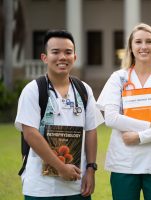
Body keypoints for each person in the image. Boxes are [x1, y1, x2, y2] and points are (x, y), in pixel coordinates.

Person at [97, 23, 151, 200]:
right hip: (124, 163)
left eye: (149, 41)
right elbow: (111, 118)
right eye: (138, 42)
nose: (143, 46)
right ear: (130, 47)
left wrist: (140, 136)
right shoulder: (118, 79)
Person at [15, 29, 104, 200]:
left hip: (77, 185)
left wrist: (91, 169)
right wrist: (61, 167)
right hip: (41, 188)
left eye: (68, 52)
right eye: (55, 52)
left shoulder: (84, 90)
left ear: (75, 57)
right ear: (45, 57)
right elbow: (30, 134)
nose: (62, 57)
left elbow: (91, 130)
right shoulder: (33, 90)